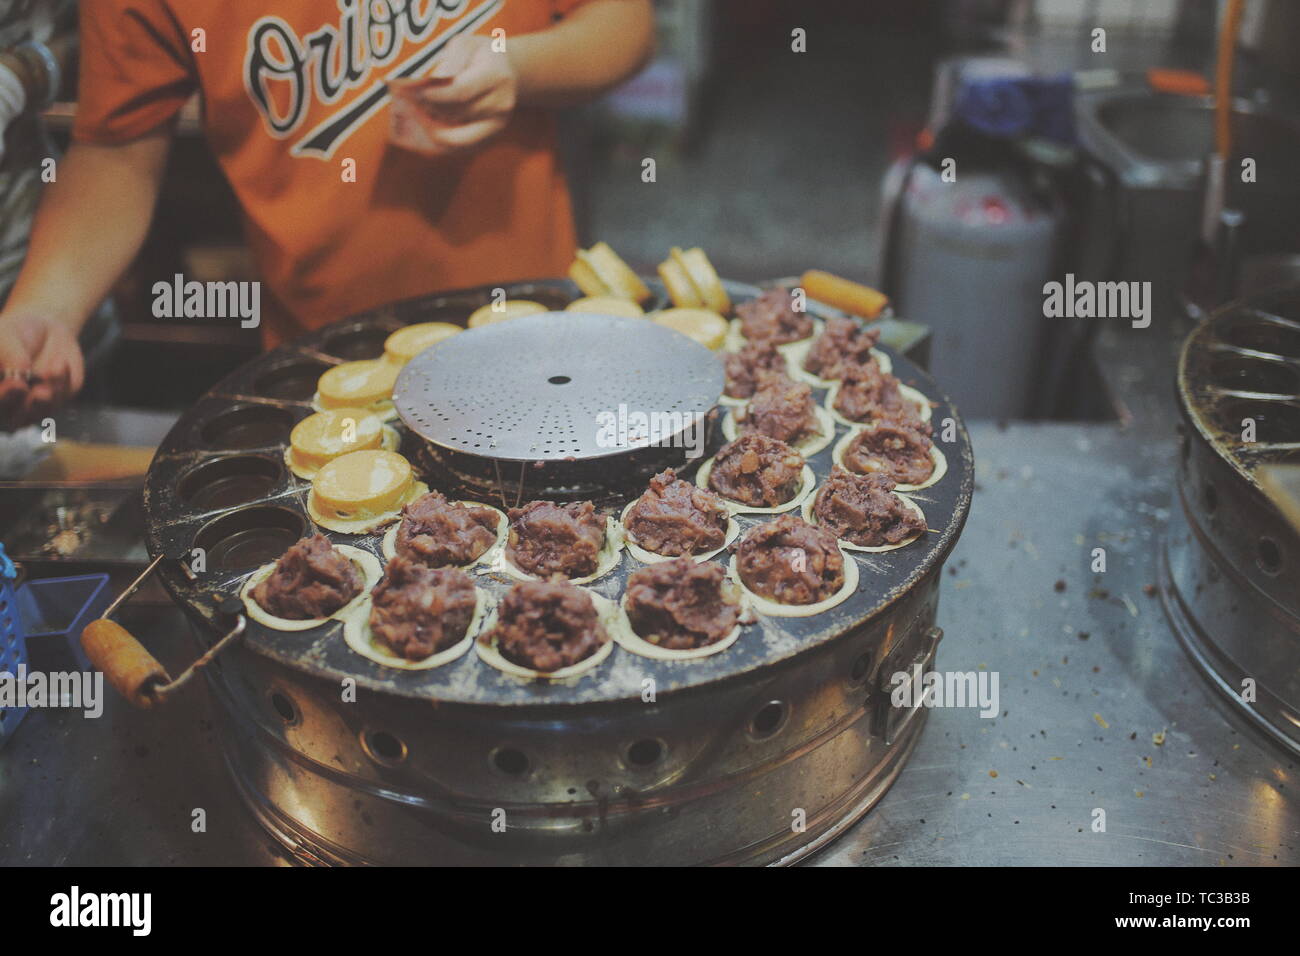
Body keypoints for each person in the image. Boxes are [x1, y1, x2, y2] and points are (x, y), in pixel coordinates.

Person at [0, 0, 655, 429]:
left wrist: (516, 65)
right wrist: (44, 309)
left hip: (528, 326)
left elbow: (623, 24)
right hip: (326, 361)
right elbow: (117, 148)